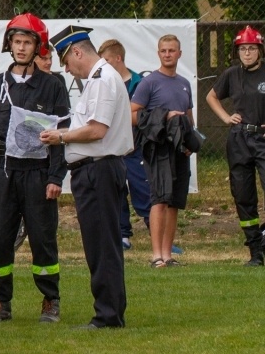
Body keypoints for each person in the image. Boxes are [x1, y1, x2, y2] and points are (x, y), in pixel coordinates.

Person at [0, 13, 70, 323]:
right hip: (3, 175)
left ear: (38, 46)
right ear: (9, 45)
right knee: (1, 240)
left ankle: (50, 301)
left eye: (27, 42)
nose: (22, 48)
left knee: (43, 239)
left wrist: (56, 177)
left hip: (39, 177)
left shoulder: (53, 86)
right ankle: (2, 303)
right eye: (17, 42)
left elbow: (62, 136)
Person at [41, 25, 133, 329]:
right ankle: (110, 310)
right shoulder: (100, 79)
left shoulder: (102, 80)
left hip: (99, 169)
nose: (67, 69)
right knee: (102, 243)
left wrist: (61, 136)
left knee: (101, 245)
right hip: (97, 168)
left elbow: (96, 130)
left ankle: (107, 315)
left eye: (67, 61)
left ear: (77, 52)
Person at [131, 35, 195, 269]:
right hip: (158, 148)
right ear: (158, 54)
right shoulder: (149, 83)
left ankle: (168, 254)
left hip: (180, 149)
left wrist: (190, 141)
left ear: (179, 54)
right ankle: (156, 255)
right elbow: (132, 115)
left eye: (172, 50)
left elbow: (188, 116)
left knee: (174, 201)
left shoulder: (185, 83)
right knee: (159, 200)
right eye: (163, 50)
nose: (167, 54)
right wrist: (164, 116)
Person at [206, 26, 265, 266]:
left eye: (251, 48)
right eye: (242, 49)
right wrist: (225, 117)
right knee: (243, 196)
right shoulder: (231, 74)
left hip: (262, 139)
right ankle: (255, 252)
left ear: (260, 50)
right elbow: (211, 96)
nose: (247, 53)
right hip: (239, 139)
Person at [98, 39, 151, 250]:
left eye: (107, 60)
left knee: (145, 191)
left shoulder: (140, 83)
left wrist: (121, 117)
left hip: (136, 149)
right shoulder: (102, 83)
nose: (103, 65)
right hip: (112, 149)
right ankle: (122, 236)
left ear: (118, 58)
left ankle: (158, 237)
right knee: (116, 192)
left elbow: (144, 117)